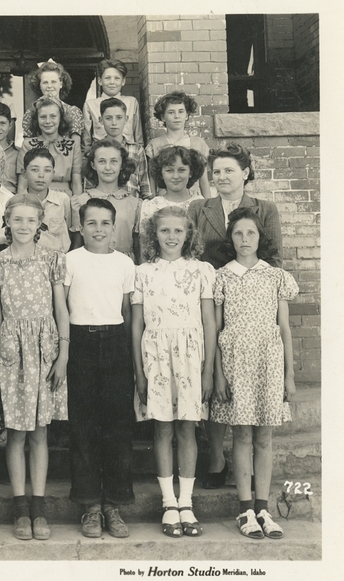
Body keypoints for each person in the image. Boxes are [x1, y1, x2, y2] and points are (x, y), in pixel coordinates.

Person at [187, 143, 284, 490]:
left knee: (248, 384)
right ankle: (216, 456)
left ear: (245, 173)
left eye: (229, 170)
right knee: (217, 379)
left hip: (250, 304)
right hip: (208, 302)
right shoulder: (200, 208)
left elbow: (273, 258)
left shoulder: (264, 209)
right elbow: (190, 252)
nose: (221, 176)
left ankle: (253, 466)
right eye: (216, 172)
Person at [211, 207, 298, 540]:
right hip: (234, 362)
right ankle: (245, 508)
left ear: (260, 238)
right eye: (238, 233)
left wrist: (289, 375)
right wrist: (218, 375)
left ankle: (264, 507)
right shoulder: (222, 277)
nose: (244, 239)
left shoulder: (275, 276)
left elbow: (285, 328)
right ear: (230, 238)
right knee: (242, 435)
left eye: (250, 233)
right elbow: (217, 330)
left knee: (264, 437)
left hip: (269, 361)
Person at [131, 207, 217, 538]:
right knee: (163, 429)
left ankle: (186, 502)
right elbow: (137, 324)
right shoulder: (143, 272)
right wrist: (139, 372)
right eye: (164, 231)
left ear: (188, 235)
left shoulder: (202, 271)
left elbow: (209, 322)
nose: (171, 237)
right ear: (154, 235)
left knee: (187, 429)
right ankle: (168, 503)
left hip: (192, 356)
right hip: (156, 355)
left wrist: (208, 369)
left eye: (178, 231)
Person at [0, 195, 69, 541]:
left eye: (30, 221)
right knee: (16, 432)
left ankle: (39, 506)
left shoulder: (52, 260)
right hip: (11, 347)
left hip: (45, 347)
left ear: (40, 225)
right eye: (17, 220)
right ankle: (20, 508)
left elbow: (61, 309)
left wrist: (63, 353)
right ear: (7, 223)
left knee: (39, 433)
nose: (23, 227)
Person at [64, 197, 136, 539]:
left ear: (113, 227)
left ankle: (114, 504)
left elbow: (125, 309)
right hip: (80, 342)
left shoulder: (124, 264)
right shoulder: (69, 261)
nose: (98, 229)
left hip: (115, 342)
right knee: (83, 425)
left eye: (105, 223)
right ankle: (90, 505)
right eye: (91, 223)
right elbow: (62, 306)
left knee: (118, 425)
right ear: (80, 227)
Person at [72, 139, 140, 259]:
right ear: (93, 165)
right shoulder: (81, 201)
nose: (108, 167)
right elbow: (76, 245)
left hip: (124, 266)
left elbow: (138, 246)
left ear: (122, 165)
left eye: (114, 161)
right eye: (102, 161)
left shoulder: (135, 204)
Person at [137, 146, 205, 262]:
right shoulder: (151, 206)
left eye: (181, 170)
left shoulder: (201, 204)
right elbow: (144, 247)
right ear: (161, 174)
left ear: (191, 172)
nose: (175, 176)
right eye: (169, 170)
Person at [145, 92, 211, 199]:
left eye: (181, 111)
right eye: (171, 112)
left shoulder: (198, 144)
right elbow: (152, 181)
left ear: (187, 115)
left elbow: (203, 180)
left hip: (193, 198)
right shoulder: (155, 145)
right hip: (165, 199)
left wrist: (209, 205)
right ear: (162, 117)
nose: (177, 116)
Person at [17, 97, 82, 198]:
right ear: (36, 119)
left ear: (60, 118)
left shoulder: (72, 145)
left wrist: (77, 209)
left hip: (64, 198)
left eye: (53, 116)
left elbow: (76, 183)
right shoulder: (28, 144)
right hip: (35, 197)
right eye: (43, 117)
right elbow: (22, 183)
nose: (48, 121)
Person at [82, 59, 143, 151]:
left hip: (128, 153)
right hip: (101, 153)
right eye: (107, 78)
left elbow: (138, 136)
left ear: (123, 81)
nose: (112, 82)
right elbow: (86, 141)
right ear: (100, 81)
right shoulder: (90, 105)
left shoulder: (131, 102)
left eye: (117, 78)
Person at [95, 98, 150, 200]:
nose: (114, 123)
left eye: (119, 117)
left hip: (132, 204)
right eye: (108, 118)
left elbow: (145, 186)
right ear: (100, 120)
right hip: (103, 205)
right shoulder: (96, 150)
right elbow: (89, 184)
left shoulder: (137, 150)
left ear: (126, 119)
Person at [20, 148, 72, 254]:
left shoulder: (63, 200)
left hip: (57, 259)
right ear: (24, 173)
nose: (41, 175)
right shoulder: (17, 203)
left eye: (47, 170)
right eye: (35, 170)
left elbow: (70, 232)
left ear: (53, 173)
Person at [21, 60, 83, 138]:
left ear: (61, 84)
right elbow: (27, 144)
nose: (49, 86)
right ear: (39, 85)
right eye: (45, 82)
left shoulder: (73, 112)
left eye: (53, 82)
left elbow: (75, 145)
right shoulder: (30, 113)